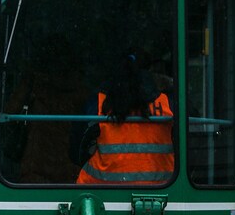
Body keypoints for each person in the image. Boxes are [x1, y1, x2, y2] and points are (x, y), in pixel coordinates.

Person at [74, 55, 174, 185]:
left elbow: (76, 150)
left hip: (99, 190)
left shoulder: (97, 104)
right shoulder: (168, 104)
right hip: (163, 189)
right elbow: (191, 135)